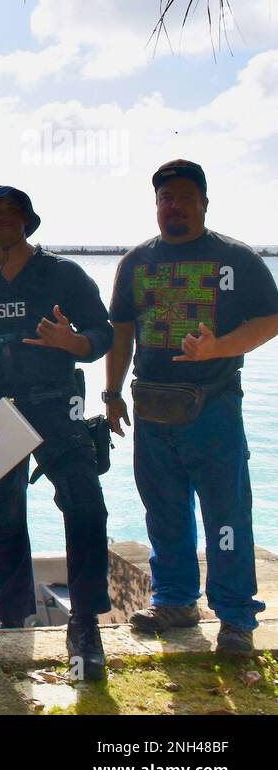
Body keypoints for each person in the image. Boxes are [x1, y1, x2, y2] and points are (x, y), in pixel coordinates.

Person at [0, 186, 113, 679]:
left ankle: (84, 623)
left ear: (28, 220)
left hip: (55, 405)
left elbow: (104, 334)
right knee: (5, 513)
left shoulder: (62, 274)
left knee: (86, 505)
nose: (4, 220)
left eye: (13, 212)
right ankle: (14, 617)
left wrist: (75, 342)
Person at [106, 160, 278, 654]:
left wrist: (218, 347)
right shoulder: (135, 263)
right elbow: (121, 333)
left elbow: (269, 319)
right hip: (152, 407)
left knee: (226, 515)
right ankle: (176, 601)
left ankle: (236, 617)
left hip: (215, 407)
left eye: (184, 197)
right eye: (165, 198)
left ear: (204, 202)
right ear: (155, 206)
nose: (173, 206)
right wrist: (113, 394)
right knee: (164, 512)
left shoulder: (235, 259)